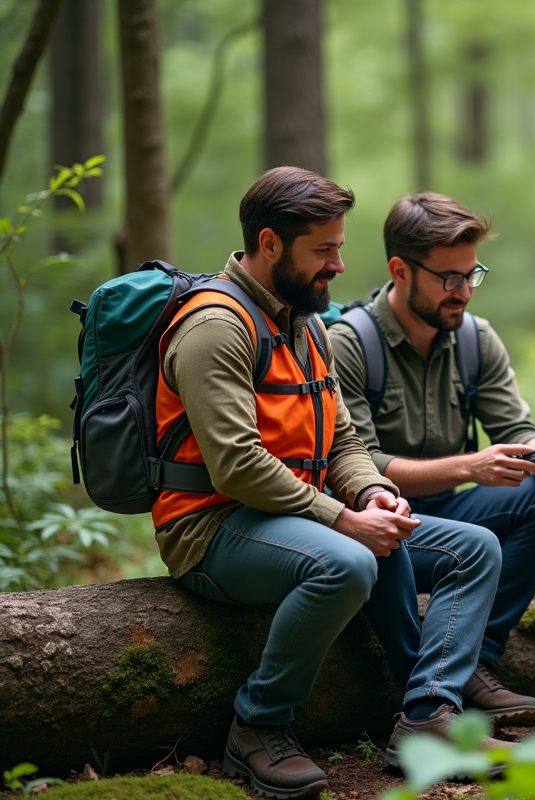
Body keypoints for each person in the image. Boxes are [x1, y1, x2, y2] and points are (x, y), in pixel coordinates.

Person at [155, 167, 503, 800]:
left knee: (473, 548)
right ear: (269, 244)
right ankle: (258, 725)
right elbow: (236, 464)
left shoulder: (305, 323)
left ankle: (428, 714)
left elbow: (342, 440)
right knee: (347, 561)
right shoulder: (215, 327)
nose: (339, 265)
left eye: (339, 247)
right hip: (211, 525)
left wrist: (370, 493)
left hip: (294, 516)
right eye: (324, 250)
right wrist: (343, 519)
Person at [330, 192, 535, 727]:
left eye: (472, 275)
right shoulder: (349, 344)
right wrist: (468, 466)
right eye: (449, 278)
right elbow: (358, 463)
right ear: (400, 270)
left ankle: (476, 661)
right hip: (383, 526)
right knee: (463, 541)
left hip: (451, 513)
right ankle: (432, 691)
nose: (464, 292)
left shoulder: (475, 339)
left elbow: (516, 429)